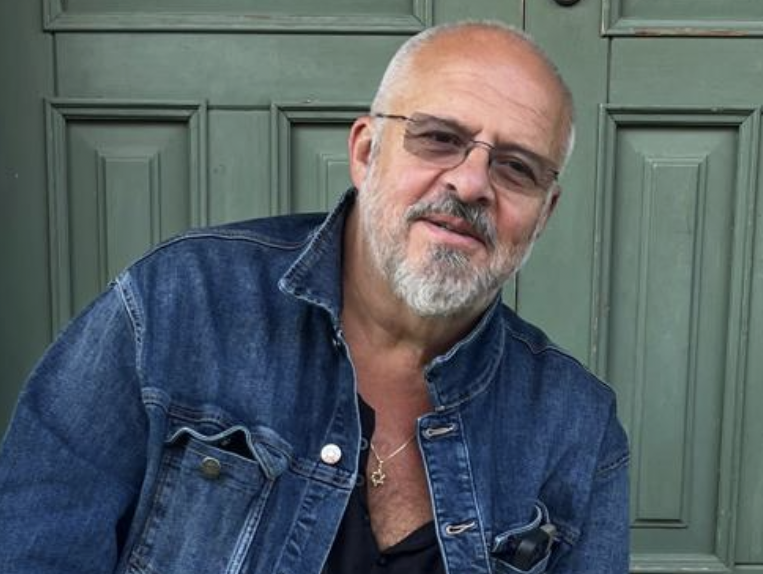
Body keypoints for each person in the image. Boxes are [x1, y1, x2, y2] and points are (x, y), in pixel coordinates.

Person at [0, 20, 629, 574]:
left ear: (544, 214)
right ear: (365, 152)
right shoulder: (177, 304)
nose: (470, 183)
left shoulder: (575, 427)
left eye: (516, 167)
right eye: (439, 137)